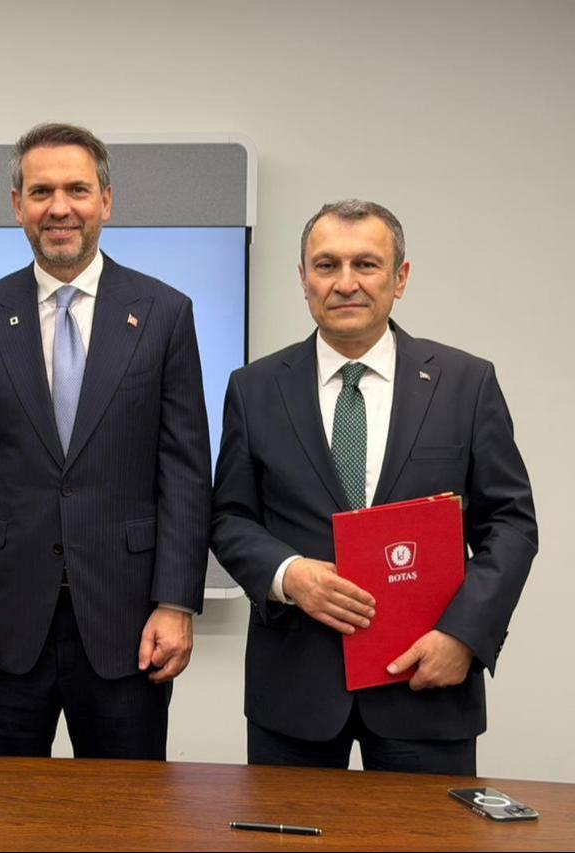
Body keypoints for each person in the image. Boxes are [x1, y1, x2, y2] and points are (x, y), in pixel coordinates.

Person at [210, 199, 537, 774]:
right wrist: (289, 576)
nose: (345, 283)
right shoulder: (254, 387)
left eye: (366, 264)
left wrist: (464, 637)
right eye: (326, 265)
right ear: (303, 279)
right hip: (295, 690)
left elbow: (510, 523)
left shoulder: (466, 383)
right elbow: (229, 516)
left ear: (400, 278)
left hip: (427, 680)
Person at [0, 123, 212, 758]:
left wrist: (176, 602)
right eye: (42, 191)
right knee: (0, 818)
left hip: (129, 621)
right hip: (1, 625)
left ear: (106, 201)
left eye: (77, 189)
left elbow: (186, 471)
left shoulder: (165, 313)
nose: (60, 208)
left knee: (124, 821)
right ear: (17, 205)